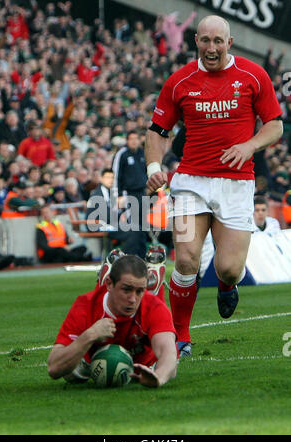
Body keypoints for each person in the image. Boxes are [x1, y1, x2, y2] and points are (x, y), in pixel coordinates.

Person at [145, 15, 283, 357]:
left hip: (236, 184)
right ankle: (180, 337)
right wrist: (153, 167)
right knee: (187, 261)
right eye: (205, 40)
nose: (211, 47)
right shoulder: (179, 82)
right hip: (191, 182)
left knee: (230, 268)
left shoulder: (253, 75)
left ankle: (226, 286)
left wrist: (249, 146)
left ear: (229, 43)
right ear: (196, 41)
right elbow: (157, 131)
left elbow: (275, 126)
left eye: (218, 41)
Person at [47, 254, 177, 388]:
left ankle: (155, 284)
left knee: (165, 369)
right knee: (73, 374)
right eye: (127, 289)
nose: (133, 299)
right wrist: (90, 335)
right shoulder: (85, 306)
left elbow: (169, 354)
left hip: (144, 366)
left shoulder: (154, 307)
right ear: (109, 284)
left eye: (140, 291)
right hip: (92, 361)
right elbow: (54, 367)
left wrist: (159, 378)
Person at [112, 131, 148, 259]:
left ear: (139, 140)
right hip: (128, 194)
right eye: (131, 139)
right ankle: (129, 256)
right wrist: (117, 196)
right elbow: (116, 176)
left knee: (143, 226)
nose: (133, 141)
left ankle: (142, 256)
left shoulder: (143, 153)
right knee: (133, 226)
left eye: (136, 138)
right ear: (127, 141)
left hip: (142, 193)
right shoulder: (122, 154)